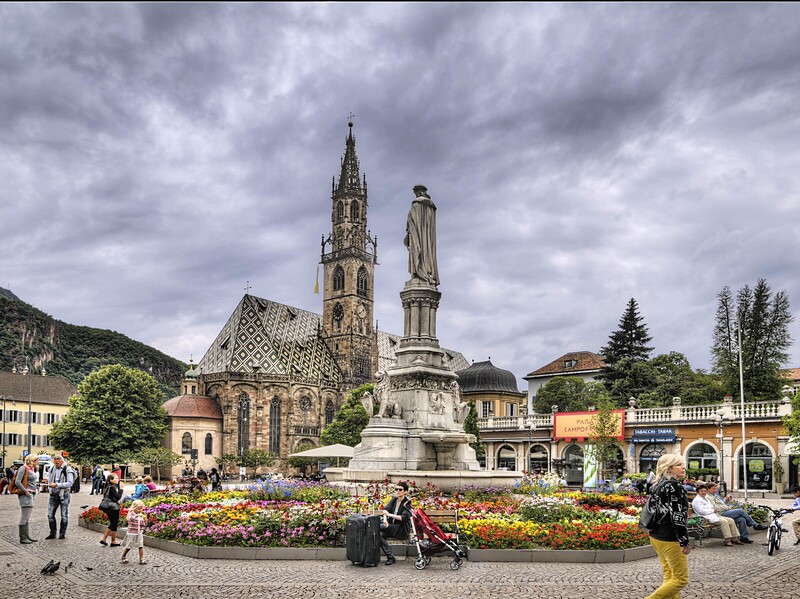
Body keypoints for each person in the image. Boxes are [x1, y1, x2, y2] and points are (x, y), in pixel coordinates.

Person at [645, 454, 691, 599]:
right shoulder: (673, 486)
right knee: (680, 579)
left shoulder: (658, 484)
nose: (683, 467)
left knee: (670, 575)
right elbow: (677, 515)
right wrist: (684, 540)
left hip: (656, 535)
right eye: (679, 465)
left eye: (682, 464)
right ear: (669, 468)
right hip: (670, 537)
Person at [404, 185, 439, 286]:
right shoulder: (431, 207)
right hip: (428, 239)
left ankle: (419, 275)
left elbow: (412, 222)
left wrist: (409, 232)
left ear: (418, 192)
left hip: (417, 235)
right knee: (427, 254)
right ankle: (428, 273)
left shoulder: (416, 204)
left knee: (417, 251)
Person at [379, 481, 413, 566]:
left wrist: (389, 515)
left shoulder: (407, 503)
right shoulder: (394, 499)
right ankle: (391, 557)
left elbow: (403, 518)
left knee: (375, 527)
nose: (398, 491)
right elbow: (385, 510)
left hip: (400, 529)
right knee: (378, 535)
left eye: (400, 489)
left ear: (405, 492)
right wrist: (385, 520)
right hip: (391, 527)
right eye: (396, 489)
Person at [45, 455, 75, 540]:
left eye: (57, 463)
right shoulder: (52, 469)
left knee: (64, 515)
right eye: (55, 463)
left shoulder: (68, 469)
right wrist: (49, 487)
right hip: (53, 494)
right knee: (50, 515)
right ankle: (52, 533)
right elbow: (50, 480)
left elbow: (70, 483)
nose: (56, 465)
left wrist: (57, 484)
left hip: (64, 494)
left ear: (62, 461)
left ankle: (62, 533)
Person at [14, 454, 40, 544]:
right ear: (32, 461)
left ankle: (26, 535)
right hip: (26, 495)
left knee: (27, 516)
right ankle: (23, 537)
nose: (37, 462)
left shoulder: (31, 469)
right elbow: (17, 482)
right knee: (24, 516)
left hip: (31, 494)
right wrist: (25, 491)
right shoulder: (23, 468)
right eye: (36, 461)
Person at [99, 473, 124, 547]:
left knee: (112, 523)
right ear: (111, 480)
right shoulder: (112, 488)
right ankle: (113, 541)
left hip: (108, 508)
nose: (118, 479)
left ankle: (104, 539)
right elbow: (118, 497)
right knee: (114, 524)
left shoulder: (107, 487)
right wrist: (121, 489)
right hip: (113, 508)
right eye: (116, 478)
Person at [120, 500, 148, 565]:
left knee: (141, 545)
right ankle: (123, 556)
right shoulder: (131, 514)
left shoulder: (141, 515)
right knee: (129, 546)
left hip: (139, 532)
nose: (140, 510)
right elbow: (129, 519)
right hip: (132, 533)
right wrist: (136, 516)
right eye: (139, 509)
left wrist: (145, 521)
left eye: (141, 508)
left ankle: (141, 559)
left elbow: (142, 524)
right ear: (134, 508)